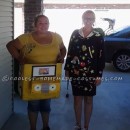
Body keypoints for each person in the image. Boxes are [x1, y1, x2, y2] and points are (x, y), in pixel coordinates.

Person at [6, 14, 66, 130]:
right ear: (34, 25)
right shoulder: (26, 38)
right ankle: (32, 128)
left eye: (46, 23)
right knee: (33, 104)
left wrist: (62, 56)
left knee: (46, 103)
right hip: (31, 77)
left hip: (50, 77)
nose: (43, 25)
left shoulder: (57, 37)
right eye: (40, 23)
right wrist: (19, 58)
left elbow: (63, 48)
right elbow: (10, 45)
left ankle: (45, 127)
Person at [64, 10, 105, 130]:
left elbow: (101, 56)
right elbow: (70, 52)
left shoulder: (98, 36)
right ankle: (78, 124)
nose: (88, 20)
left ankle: (86, 126)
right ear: (82, 19)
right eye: (86, 18)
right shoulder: (75, 33)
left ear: (94, 20)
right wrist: (67, 70)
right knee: (77, 99)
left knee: (88, 99)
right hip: (76, 72)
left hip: (91, 73)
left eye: (91, 18)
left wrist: (99, 75)